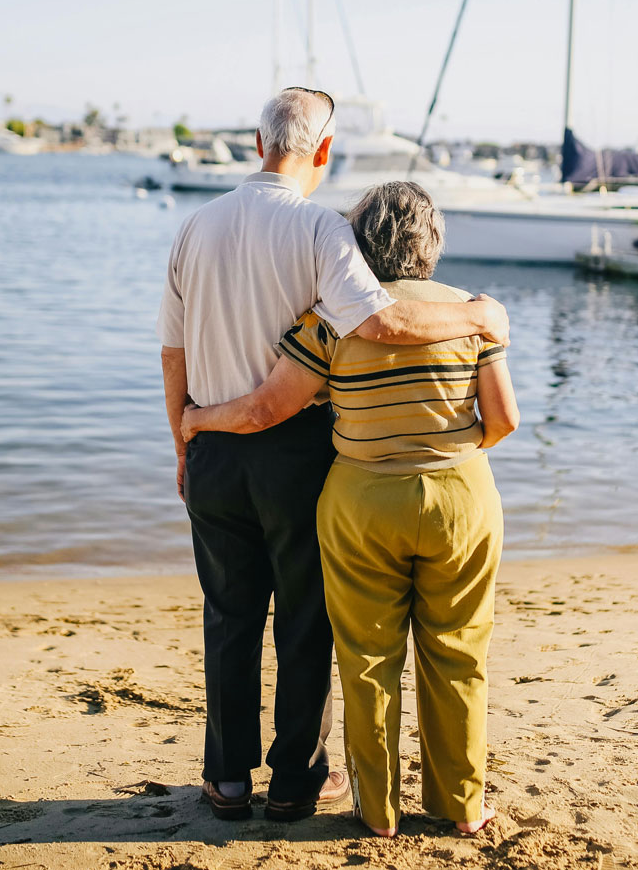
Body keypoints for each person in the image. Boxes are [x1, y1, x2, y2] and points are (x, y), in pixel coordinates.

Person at [157, 90, 510, 823]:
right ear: (321, 151)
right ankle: (294, 781)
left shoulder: (194, 226)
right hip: (295, 453)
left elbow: (173, 353)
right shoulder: (322, 228)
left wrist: (183, 438)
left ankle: (225, 781)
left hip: (214, 445)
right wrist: (478, 317)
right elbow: (382, 318)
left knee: (227, 614)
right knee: (304, 619)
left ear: (259, 143)